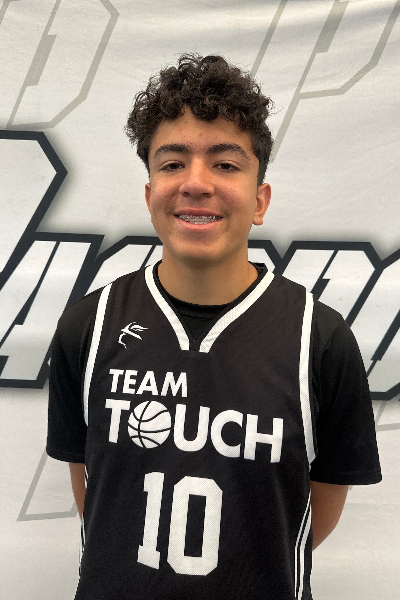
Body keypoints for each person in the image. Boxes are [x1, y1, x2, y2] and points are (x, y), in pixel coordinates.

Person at [47, 53, 381, 600]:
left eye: (225, 164)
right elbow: (96, 489)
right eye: (172, 163)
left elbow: (313, 511)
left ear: (260, 200)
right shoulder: (89, 324)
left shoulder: (319, 339)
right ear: (150, 194)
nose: (195, 183)